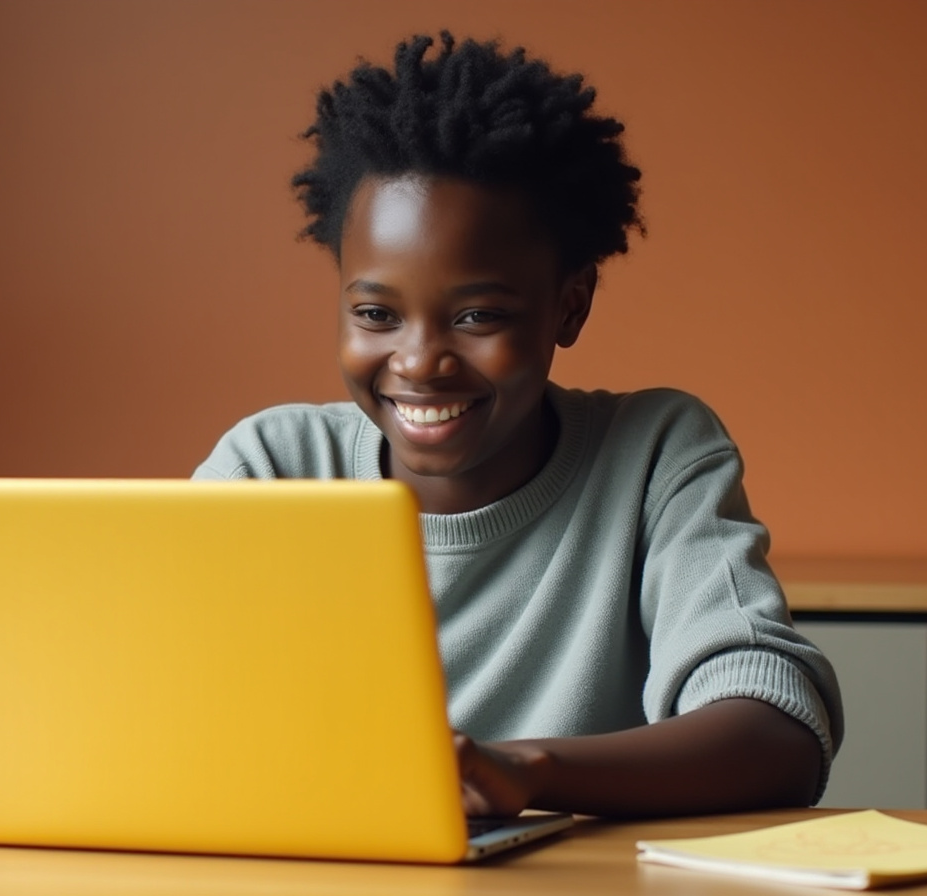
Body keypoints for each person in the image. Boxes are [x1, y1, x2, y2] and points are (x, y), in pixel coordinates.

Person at [194, 32, 842, 819]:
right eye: (375, 314)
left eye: (477, 316)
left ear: (570, 305)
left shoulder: (654, 455)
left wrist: (527, 772)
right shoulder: (272, 469)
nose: (419, 361)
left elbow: (776, 734)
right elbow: (147, 709)